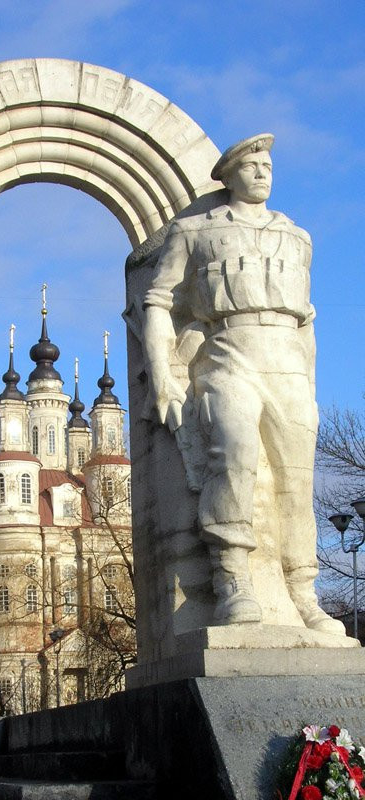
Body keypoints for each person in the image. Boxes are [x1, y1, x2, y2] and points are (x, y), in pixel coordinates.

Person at [142, 134, 343, 634]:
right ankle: (233, 580)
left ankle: (303, 591)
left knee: (296, 481)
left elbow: (308, 321)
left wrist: (310, 386)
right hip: (227, 351)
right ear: (228, 175)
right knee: (233, 458)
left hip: (288, 362)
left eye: (268, 165)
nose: (261, 173)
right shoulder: (194, 231)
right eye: (251, 165)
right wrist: (163, 374)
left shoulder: (297, 237)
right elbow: (157, 301)